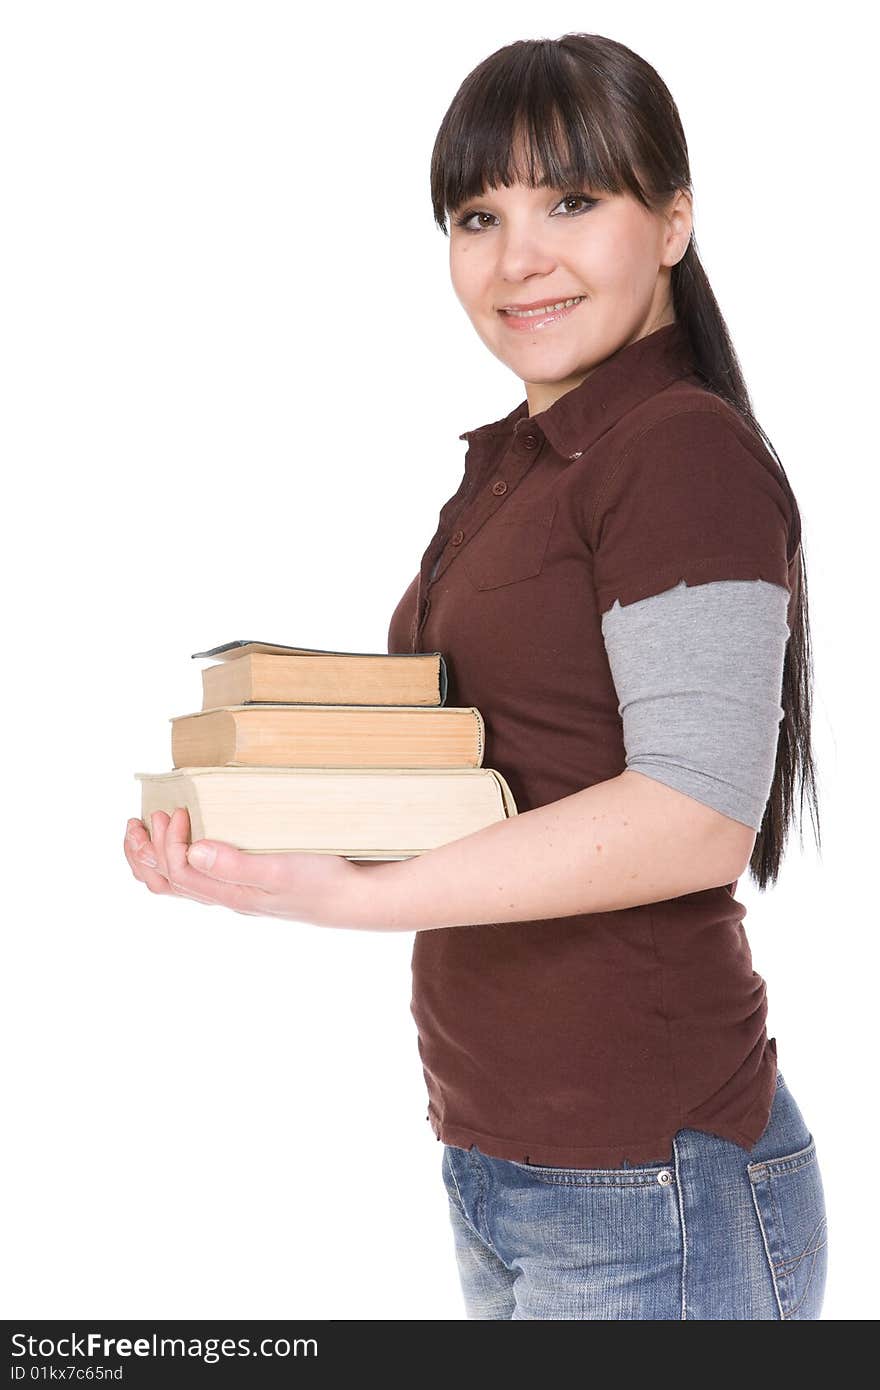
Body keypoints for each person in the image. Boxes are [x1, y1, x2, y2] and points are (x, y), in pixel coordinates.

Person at [124, 32, 828, 1319]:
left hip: (646, 1180)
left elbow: (691, 814)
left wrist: (340, 899)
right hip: (512, 1162)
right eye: (476, 214)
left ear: (672, 218)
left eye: (572, 200)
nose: (518, 258)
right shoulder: (531, 456)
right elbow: (500, 772)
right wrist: (258, 828)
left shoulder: (677, 453)